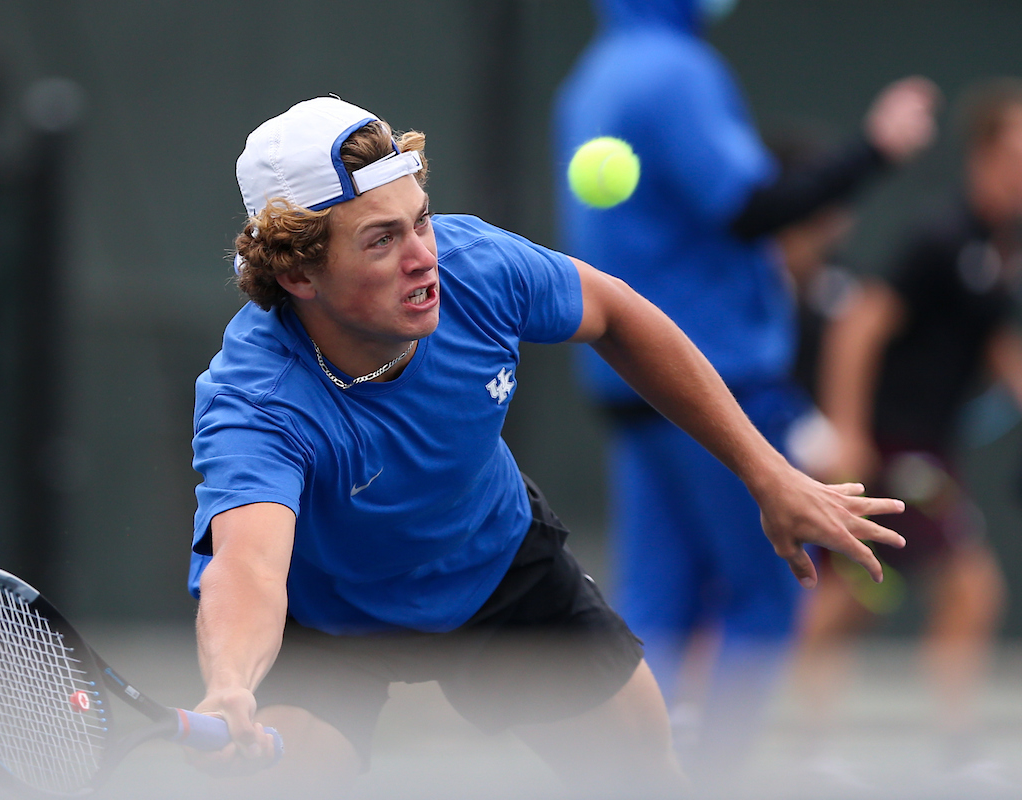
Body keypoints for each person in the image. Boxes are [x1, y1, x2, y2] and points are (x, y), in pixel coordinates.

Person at [184, 95, 905, 799]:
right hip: (330, 621)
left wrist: (766, 474)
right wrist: (230, 685)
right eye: (381, 240)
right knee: (275, 783)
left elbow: (619, 314)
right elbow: (249, 565)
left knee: (648, 780)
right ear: (298, 273)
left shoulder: (475, 267)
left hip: (495, 564)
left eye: (420, 221)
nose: (423, 257)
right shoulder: (255, 400)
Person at [552, 0, 938, 777]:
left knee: (658, 603)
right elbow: (755, 207)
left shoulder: (591, 78)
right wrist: (876, 148)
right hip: (713, 380)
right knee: (767, 597)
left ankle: (638, 778)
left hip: (628, 382)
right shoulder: (676, 72)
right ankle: (717, 779)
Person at [793, 77, 1022, 787]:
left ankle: (804, 745)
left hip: (929, 445)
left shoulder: (996, 252)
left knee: (856, 593)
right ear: (983, 156)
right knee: (971, 588)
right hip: (895, 445)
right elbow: (859, 327)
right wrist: (847, 430)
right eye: (1016, 153)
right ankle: (950, 751)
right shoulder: (941, 237)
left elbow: (996, 346)